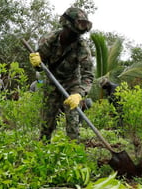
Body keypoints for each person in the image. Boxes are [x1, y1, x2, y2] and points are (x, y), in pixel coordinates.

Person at [28, 7, 94, 141]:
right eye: (73, 32)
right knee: (47, 121)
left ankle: (73, 152)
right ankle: (42, 150)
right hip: (52, 82)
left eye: (78, 34)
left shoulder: (82, 46)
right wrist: (37, 64)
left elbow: (88, 75)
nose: (76, 36)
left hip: (72, 84)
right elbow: (41, 68)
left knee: (73, 121)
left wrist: (79, 94)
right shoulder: (48, 41)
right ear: (65, 26)